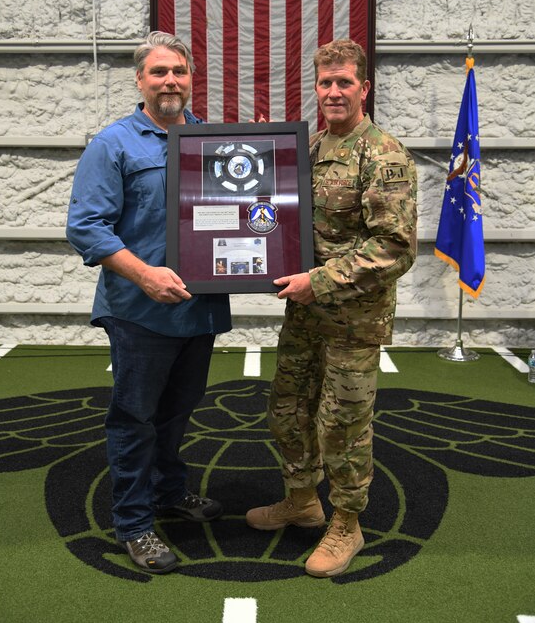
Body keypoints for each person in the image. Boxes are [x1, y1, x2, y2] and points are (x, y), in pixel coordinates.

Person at [246, 38, 417, 578]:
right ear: (316, 89)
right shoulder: (309, 148)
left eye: (345, 81)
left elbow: (395, 246)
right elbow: (274, 215)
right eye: (326, 82)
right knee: (288, 410)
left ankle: (347, 522)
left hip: (354, 319)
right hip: (305, 314)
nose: (335, 91)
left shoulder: (383, 154)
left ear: (364, 88)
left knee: (342, 425)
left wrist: (319, 280)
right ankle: (301, 500)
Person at [66, 31, 231, 574]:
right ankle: (135, 522)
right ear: (140, 80)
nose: (169, 81)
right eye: (158, 72)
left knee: (177, 414)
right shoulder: (112, 144)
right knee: (134, 419)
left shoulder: (213, 142)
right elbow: (86, 226)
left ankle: (169, 491)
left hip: (198, 309)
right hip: (139, 312)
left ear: (190, 79)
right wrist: (143, 275)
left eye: (178, 72)